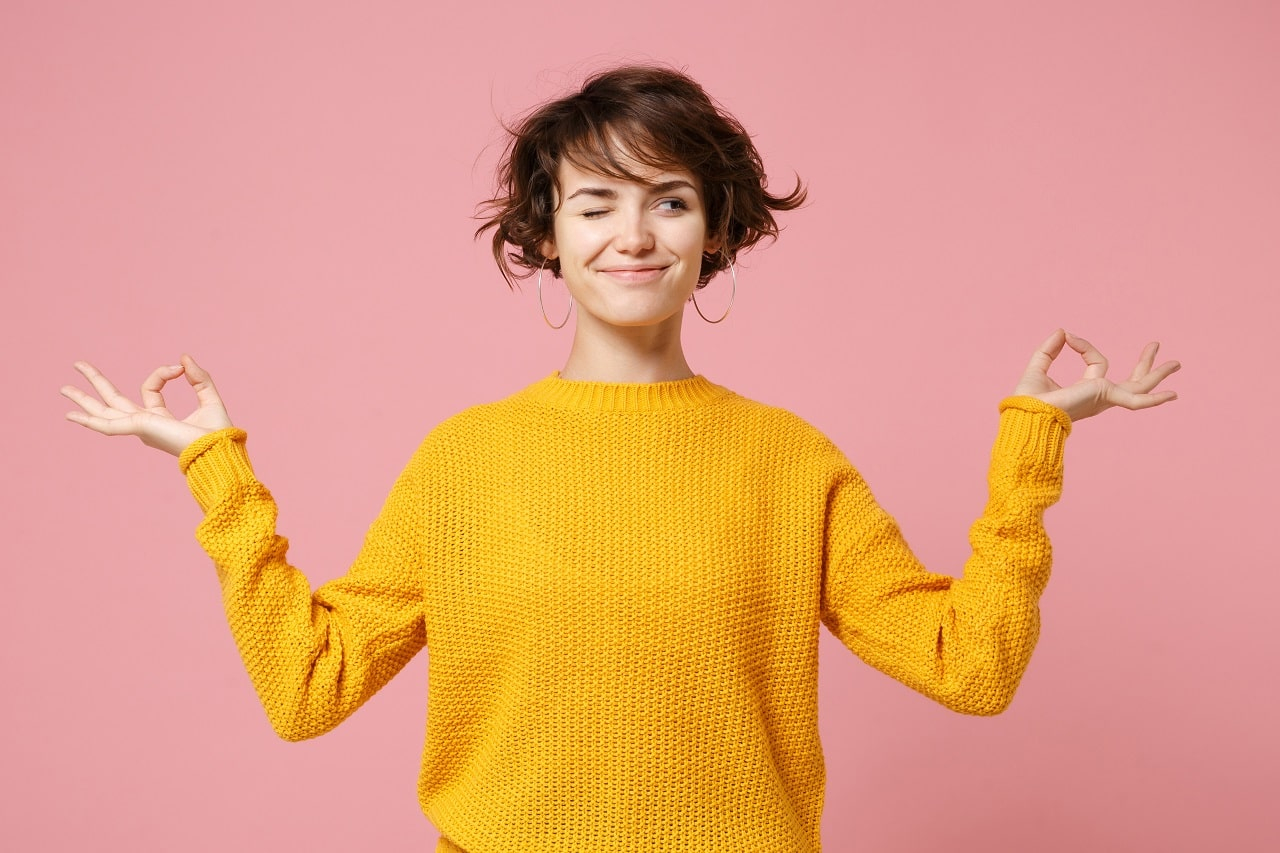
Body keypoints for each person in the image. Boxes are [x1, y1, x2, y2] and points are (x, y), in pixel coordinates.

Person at [61, 65, 1180, 853]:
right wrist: (215, 470)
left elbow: (969, 667)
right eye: (594, 203)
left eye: (670, 201)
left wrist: (1032, 449)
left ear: (718, 232)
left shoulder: (789, 463)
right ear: (547, 235)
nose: (632, 235)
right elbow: (309, 687)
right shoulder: (463, 461)